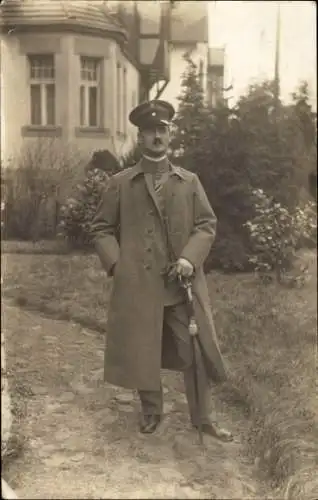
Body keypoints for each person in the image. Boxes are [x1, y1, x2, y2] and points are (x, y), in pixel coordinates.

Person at [90, 99, 233, 441]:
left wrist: (189, 258)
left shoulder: (189, 182)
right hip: (139, 284)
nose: (157, 136)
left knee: (194, 348)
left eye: (163, 130)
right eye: (150, 131)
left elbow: (206, 224)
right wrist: (118, 264)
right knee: (144, 347)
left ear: (170, 135)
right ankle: (152, 412)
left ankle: (204, 418)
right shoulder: (122, 183)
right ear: (140, 137)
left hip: (181, 284)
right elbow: (101, 229)